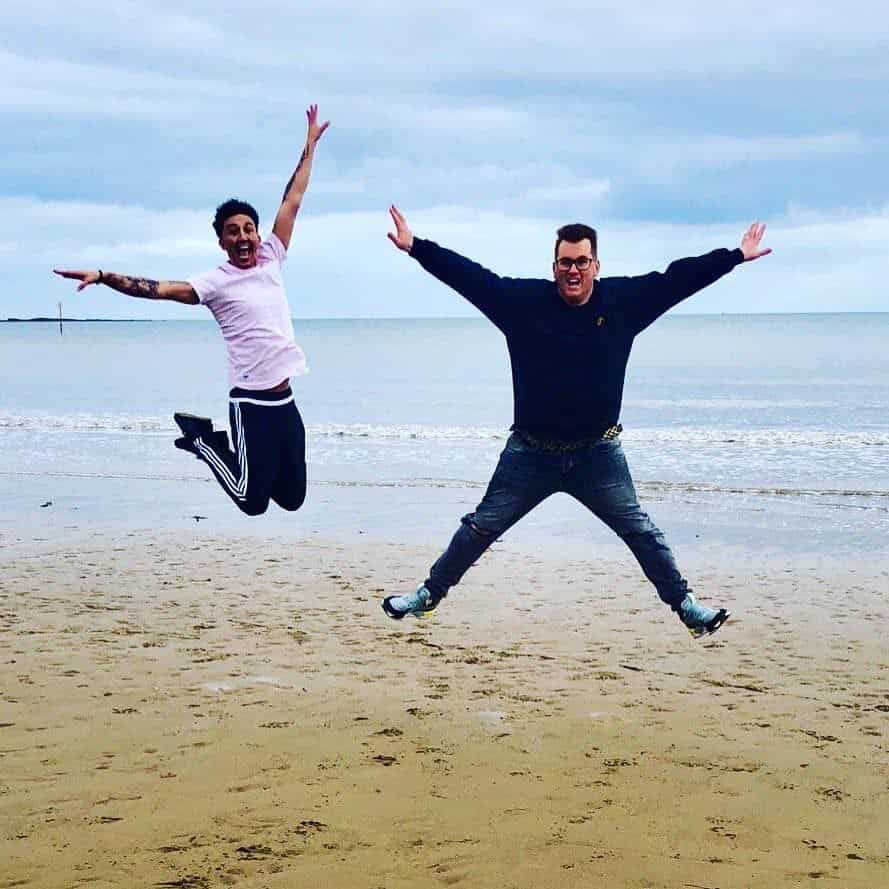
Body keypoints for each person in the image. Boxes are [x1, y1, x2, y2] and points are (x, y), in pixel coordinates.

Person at [381, 205, 771, 637]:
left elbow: (677, 279)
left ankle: (686, 608)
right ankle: (430, 595)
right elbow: (471, 278)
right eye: (565, 262)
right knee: (480, 527)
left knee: (640, 530)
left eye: (581, 261)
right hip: (529, 454)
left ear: (595, 265)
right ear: (554, 267)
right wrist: (417, 247)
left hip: (597, 456)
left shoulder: (622, 303)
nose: (573, 270)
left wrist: (734, 256)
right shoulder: (523, 305)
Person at [54, 105, 329, 517]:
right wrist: (103, 275)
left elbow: (293, 199)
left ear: (257, 233)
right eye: (232, 231)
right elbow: (157, 290)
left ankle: (245, 461)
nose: (243, 237)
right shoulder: (214, 282)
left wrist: (308, 146)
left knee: (292, 499)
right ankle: (202, 440)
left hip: (285, 401)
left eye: (248, 229)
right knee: (253, 504)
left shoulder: (272, 255)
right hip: (249, 404)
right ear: (221, 242)